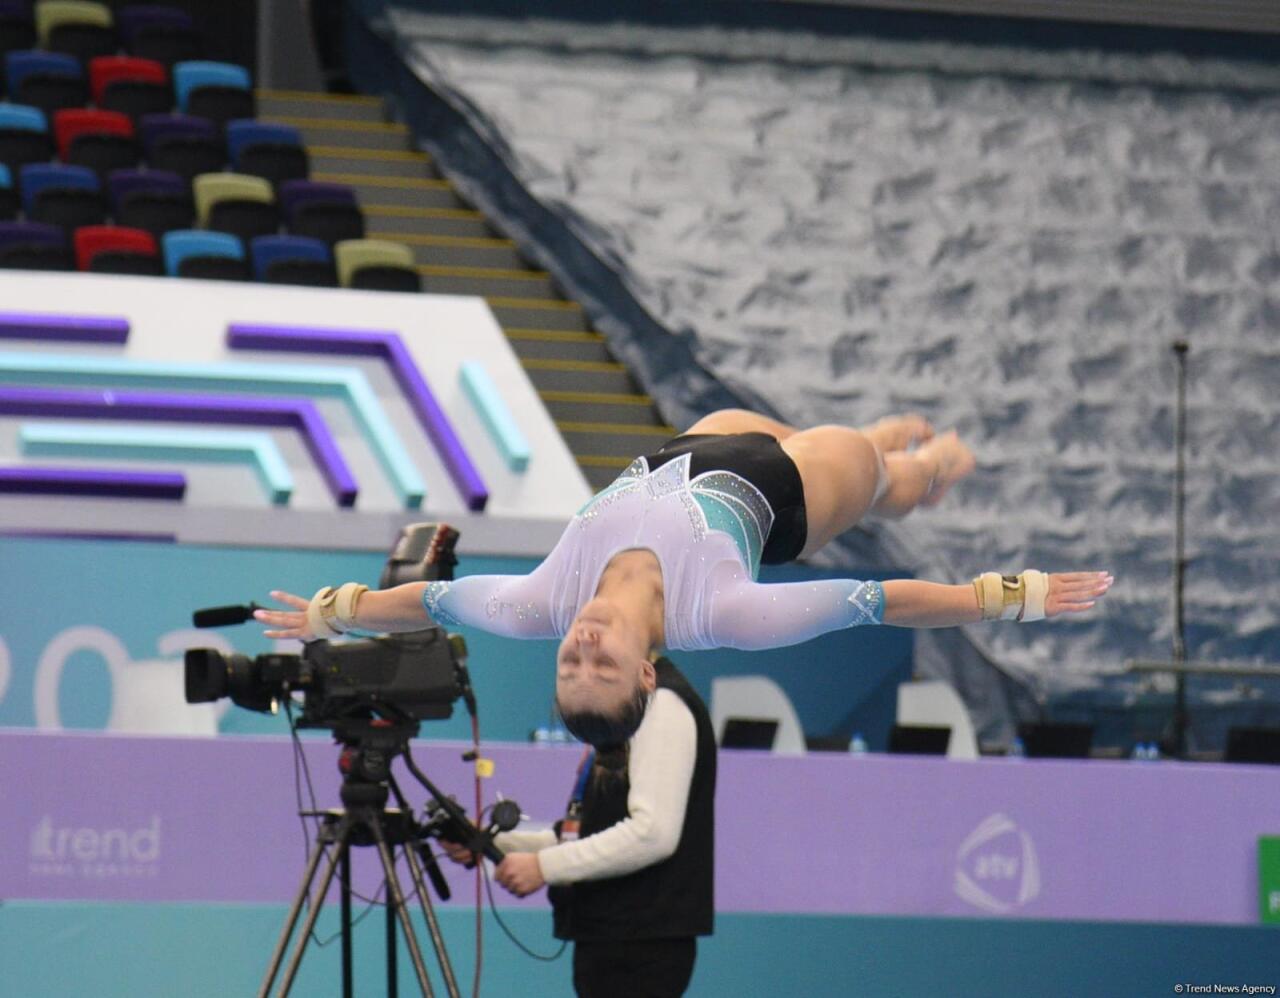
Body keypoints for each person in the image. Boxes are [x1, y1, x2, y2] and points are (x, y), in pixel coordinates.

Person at [443, 653, 715, 998]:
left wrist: (543, 867)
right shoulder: (621, 719)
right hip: (605, 937)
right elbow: (581, 834)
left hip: (639, 943)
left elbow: (651, 834)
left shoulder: (661, 704)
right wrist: (490, 845)